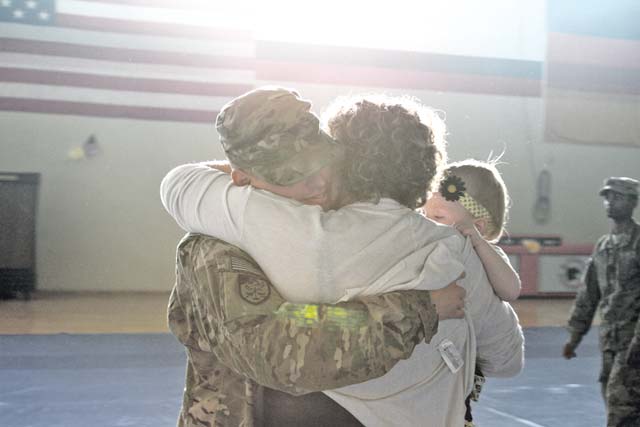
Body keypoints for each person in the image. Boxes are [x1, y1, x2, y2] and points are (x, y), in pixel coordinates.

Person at [162, 87, 524, 426]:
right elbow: (507, 357)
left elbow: (180, 184)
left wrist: (244, 178)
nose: (315, 184)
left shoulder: (273, 227)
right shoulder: (452, 250)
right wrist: (428, 313)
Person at [423, 159, 521, 426]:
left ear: (478, 226)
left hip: (469, 360)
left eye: (438, 217)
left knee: (457, 406)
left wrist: (478, 243)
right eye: (425, 216)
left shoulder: (485, 251)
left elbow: (511, 290)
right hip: (447, 348)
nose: (428, 224)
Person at [563, 177, 640, 427]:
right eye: (607, 197)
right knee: (616, 398)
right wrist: (575, 335)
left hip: (634, 341)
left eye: (617, 197)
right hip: (610, 341)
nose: (610, 202)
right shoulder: (604, 246)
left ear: (633, 202)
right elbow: (589, 293)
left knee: (621, 405)